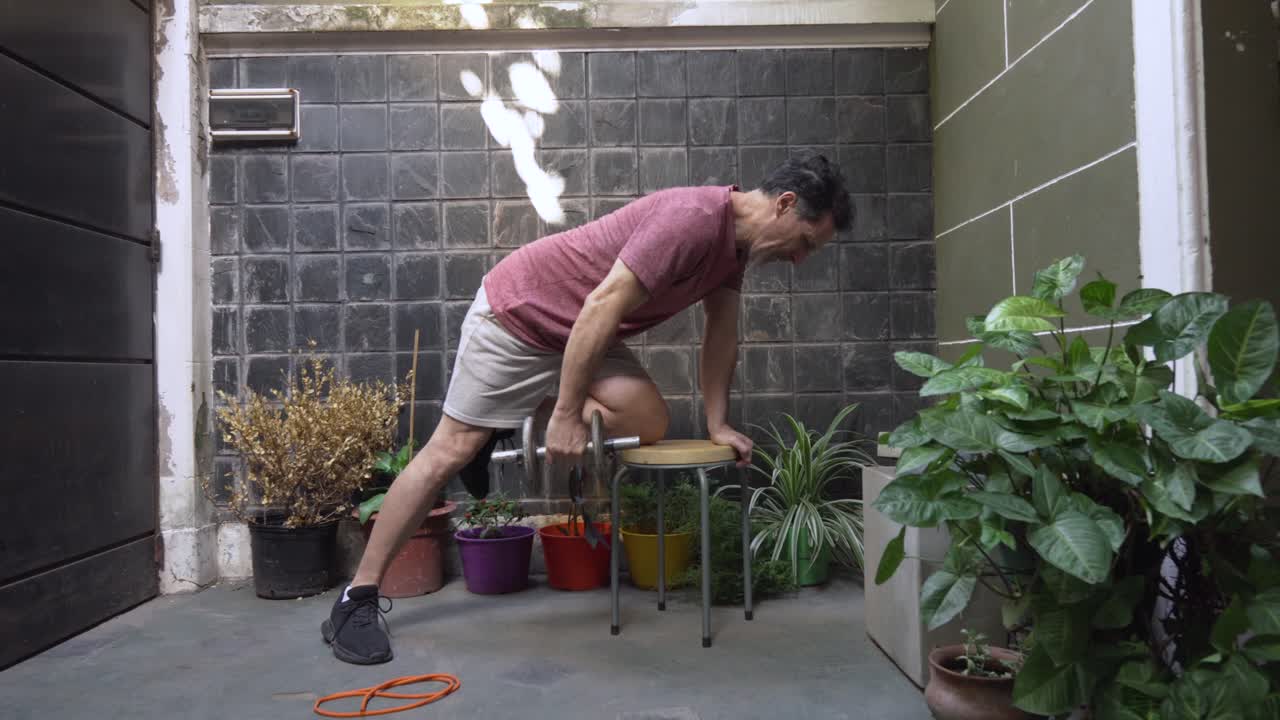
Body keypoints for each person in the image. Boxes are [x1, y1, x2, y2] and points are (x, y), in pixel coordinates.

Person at [321, 151, 854, 664]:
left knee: (647, 419)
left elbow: (721, 335)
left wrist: (718, 423)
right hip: (521, 317)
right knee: (447, 452)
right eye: (807, 242)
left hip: (583, 334)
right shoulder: (692, 219)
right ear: (785, 204)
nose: (802, 258)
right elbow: (602, 303)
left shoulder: (733, 251)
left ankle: (507, 420)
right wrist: (567, 413)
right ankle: (357, 599)